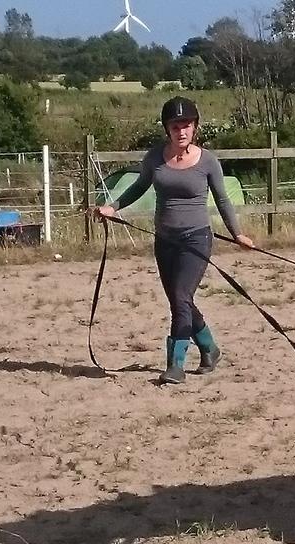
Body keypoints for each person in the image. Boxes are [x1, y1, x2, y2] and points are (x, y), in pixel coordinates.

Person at [93, 96, 255, 384]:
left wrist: (237, 234)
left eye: (187, 125)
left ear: (195, 127)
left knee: (181, 298)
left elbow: (223, 200)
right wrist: (112, 207)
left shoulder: (208, 162)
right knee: (180, 301)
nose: (181, 131)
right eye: (175, 126)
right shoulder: (155, 158)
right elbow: (139, 186)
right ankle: (209, 348)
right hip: (165, 240)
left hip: (196, 239)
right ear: (167, 129)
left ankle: (175, 364)